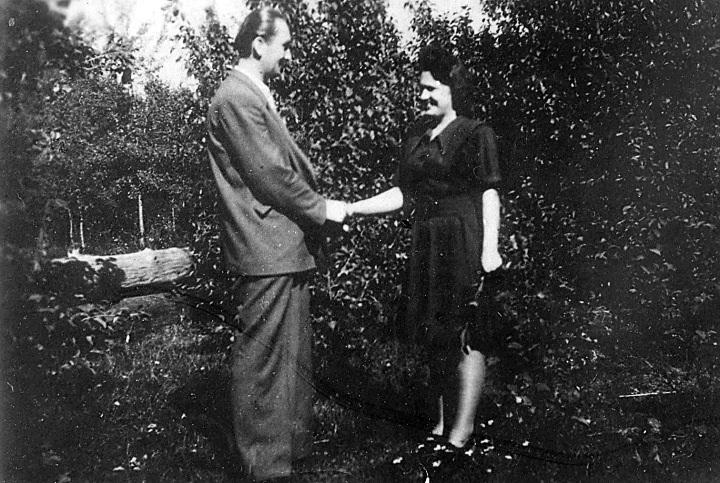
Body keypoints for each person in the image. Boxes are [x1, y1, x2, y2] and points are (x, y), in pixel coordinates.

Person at [206, 7, 348, 481]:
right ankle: (265, 465)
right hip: (262, 246)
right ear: (258, 44)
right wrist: (324, 209)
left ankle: (288, 454)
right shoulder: (236, 97)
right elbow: (270, 175)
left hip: (283, 248)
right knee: (264, 362)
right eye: (284, 46)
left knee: (292, 359)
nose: (288, 55)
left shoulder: (253, 94)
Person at [347, 44, 503, 455]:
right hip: (427, 241)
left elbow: (489, 192)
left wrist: (490, 249)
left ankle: (461, 433)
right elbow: (404, 194)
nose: (422, 96)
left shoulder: (476, 133)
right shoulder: (417, 137)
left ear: (454, 89)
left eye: (431, 89)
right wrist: (352, 208)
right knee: (433, 333)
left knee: (465, 332)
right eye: (421, 88)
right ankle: (438, 425)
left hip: (463, 237)